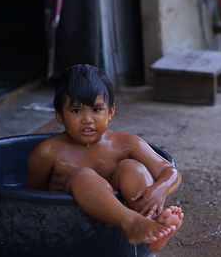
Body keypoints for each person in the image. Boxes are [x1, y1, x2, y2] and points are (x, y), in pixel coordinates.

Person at [27, 64, 184, 251]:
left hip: (114, 223)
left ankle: (152, 223)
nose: (87, 119)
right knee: (83, 175)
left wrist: (160, 189)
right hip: (67, 225)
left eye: (96, 109)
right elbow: (29, 198)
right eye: (76, 111)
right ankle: (133, 223)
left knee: (132, 167)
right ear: (60, 116)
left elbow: (170, 171)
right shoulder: (48, 152)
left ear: (110, 112)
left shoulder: (126, 143)